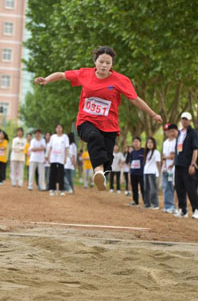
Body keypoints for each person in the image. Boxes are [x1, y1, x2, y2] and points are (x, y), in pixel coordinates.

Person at [34, 46, 162, 192]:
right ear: (95, 61)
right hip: (86, 121)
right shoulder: (85, 74)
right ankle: (98, 170)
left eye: (108, 63)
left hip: (109, 126)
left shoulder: (120, 80)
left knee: (107, 159)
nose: (104, 65)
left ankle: (101, 173)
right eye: (101, 62)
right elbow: (62, 75)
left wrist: (153, 114)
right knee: (94, 137)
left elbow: (135, 99)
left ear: (112, 64)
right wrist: (47, 79)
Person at [173, 112, 198, 219]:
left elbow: (195, 149)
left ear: (190, 121)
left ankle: (197, 210)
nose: (184, 121)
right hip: (178, 164)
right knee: (179, 188)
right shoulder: (180, 133)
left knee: (191, 188)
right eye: (183, 119)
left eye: (186, 119)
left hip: (188, 164)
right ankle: (183, 210)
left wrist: (192, 164)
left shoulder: (193, 133)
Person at [46, 124, 69, 196]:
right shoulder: (53, 137)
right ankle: (52, 189)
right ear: (56, 129)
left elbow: (66, 148)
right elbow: (50, 147)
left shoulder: (65, 137)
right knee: (52, 174)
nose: (59, 129)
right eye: (57, 128)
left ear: (62, 129)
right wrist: (48, 156)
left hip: (61, 158)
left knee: (61, 174)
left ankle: (61, 190)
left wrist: (66, 158)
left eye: (60, 128)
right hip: (53, 158)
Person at [161, 124, 177, 213]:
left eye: (171, 131)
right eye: (167, 131)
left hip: (173, 169)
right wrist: (164, 165)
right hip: (166, 168)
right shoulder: (165, 142)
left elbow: (174, 155)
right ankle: (167, 205)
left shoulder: (176, 142)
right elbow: (164, 155)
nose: (169, 133)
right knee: (166, 186)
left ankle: (172, 206)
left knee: (171, 186)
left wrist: (169, 159)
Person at [143, 137, 161, 210]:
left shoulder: (156, 152)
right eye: (148, 142)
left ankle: (155, 204)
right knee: (146, 189)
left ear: (154, 144)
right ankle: (147, 204)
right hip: (146, 172)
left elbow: (158, 163)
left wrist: (158, 172)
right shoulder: (147, 152)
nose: (149, 144)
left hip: (152, 172)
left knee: (153, 189)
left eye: (151, 142)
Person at [129, 137, 145, 206]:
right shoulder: (132, 152)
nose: (135, 143)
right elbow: (130, 162)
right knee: (134, 188)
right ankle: (135, 201)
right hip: (133, 172)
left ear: (140, 142)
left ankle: (146, 202)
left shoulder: (144, 151)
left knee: (143, 188)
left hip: (141, 173)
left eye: (137, 141)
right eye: (134, 142)